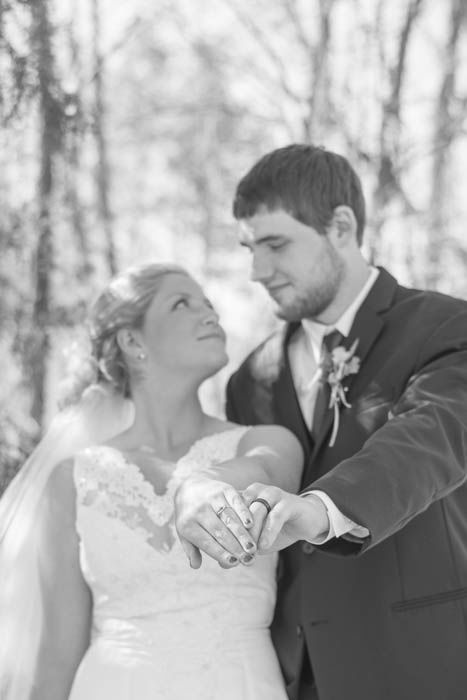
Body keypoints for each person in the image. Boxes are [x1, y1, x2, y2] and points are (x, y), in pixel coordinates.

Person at [175, 144, 467, 700]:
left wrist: (319, 510)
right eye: (249, 248)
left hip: (421, 664)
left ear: (341, 226)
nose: (258, 270)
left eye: (275, 244)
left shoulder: (447, 327)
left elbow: (428, 439)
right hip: (292, 676)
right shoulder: (249, 379)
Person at [0, 262, 304, 700]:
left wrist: (207, 482)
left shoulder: (266, 443)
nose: (209, 314)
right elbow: (57, 657)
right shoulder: (72, 480)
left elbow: (268, 475)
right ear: (132, 341)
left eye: (209, 303)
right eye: (182, 303)